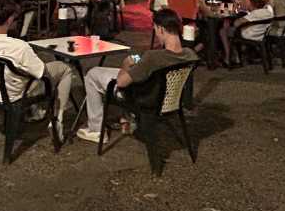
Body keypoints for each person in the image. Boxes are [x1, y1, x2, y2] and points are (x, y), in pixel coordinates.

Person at [77, 9, 197, 144]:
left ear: (161, 29)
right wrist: (139, 64)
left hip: (144, 97)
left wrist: (126, 64)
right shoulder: (190, 54)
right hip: (169, 98)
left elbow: (121, 82)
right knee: (111, 71)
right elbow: (151, 67)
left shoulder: (153, 57)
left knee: (92, 74)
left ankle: (97, 129)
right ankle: (126, 118)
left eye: (155, 29)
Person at [0, 0, 77, 137]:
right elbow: (42, 72)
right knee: (64, 68)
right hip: (16, 93)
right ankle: (58, 118)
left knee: (23, 70)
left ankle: (34, 112)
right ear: (9, 20)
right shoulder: (18, 46)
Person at [221, 0, 274, 66]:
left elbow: (236, 24)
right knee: (227, 28)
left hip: (250, 35)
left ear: (251, 3)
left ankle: (229, 57)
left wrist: (236, 9)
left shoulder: (255, 13)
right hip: (262, 35)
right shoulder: (268, 11)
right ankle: (236, 56)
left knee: (223, 31)